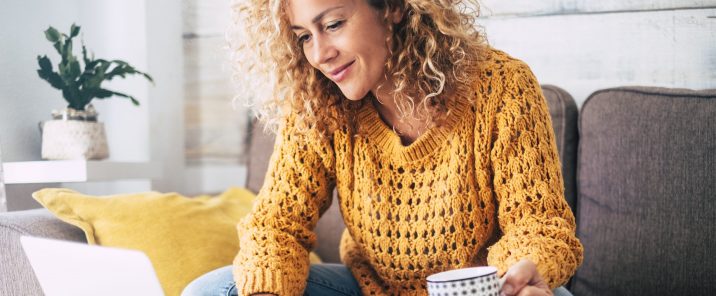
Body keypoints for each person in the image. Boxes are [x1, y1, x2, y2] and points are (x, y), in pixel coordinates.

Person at [183, 0, 583, 295]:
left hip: (485, 289)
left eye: (334, 24)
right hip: (371, 290)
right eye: (304, 36)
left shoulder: (502, 87)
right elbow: (277, 226)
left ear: (391, 7)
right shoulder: (320, 105)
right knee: (215, 290)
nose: (320, 54)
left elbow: (539, 225)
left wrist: (514, 278)